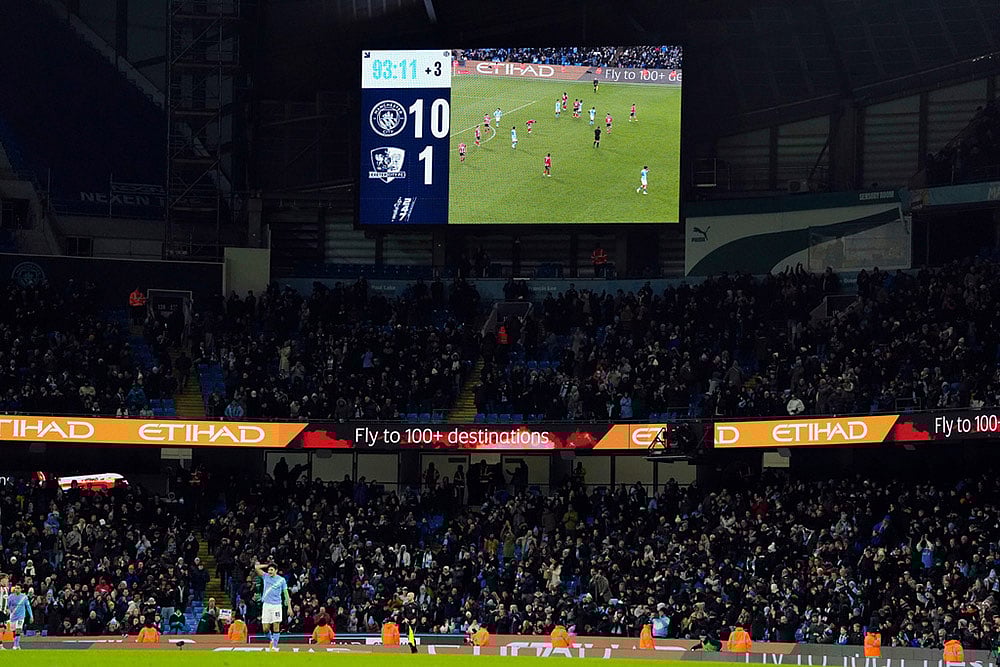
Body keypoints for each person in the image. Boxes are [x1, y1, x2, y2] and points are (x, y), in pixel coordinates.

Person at [255, 559, 292, 652]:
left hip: (276, 605)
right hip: (266, 605)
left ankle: (275, 646)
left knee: (276, 626)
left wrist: (289, 607)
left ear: (276, 570)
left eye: (272, 570)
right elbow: (256, 567)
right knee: (265, 629)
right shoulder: (265, 576)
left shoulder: (281, 580)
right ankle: (271, 640)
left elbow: (286, 594)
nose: (269, 571)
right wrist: (267, 565)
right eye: (269, 570)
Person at [2, 584, 31, 650]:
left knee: (18, 630)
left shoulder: (24, 597)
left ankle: (15, 645)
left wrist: (31, 616)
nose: (16, 589)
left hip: (21, 616)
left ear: (21, 589)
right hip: (13, 616)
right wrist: (8, 610)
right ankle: (17, 645)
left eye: (18, 588)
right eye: (16, 588)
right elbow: (8, 606)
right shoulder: (11, 597)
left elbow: (28, 607)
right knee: (14, 631)